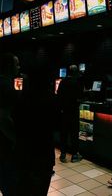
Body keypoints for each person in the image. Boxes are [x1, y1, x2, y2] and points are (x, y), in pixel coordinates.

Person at [15, 67, 56, 196]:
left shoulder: (22, 99)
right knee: (42, 189)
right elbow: (56, 124)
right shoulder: (50, 98)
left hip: (26, 152)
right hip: (45, 151)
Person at [0, 52, 20, 196]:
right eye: (17, 64)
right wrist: (16, 140)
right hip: (5, 146)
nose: (19, 67)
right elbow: (3, 118)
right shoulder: (6, 86)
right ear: (9, 66)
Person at [57, 64, 84, 163]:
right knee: (74, 134)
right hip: (73, 112)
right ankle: (74, 155)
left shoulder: (62, 82)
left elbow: (58, 95)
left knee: (63, 134)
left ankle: (63, 154)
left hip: (64, 112)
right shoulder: (77, 83)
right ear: (75, 72)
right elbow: (80, 96)